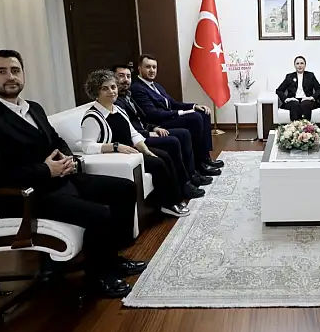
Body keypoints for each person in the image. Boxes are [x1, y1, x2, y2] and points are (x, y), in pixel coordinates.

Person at [0, 50, 145, 299]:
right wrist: (46, 170)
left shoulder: (33, 108)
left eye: (15, 70)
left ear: (23, 74)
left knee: (124, 189)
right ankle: (99, 277)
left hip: (58, 180)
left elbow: (56, 140)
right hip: (23, 196)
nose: (10, 77)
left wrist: (69, 160)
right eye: (1, 72)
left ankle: (111, 260)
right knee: (99, 213)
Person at [80, 69, 191, 218]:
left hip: (131, 151)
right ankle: (167, 204)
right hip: (116, 156)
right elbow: (87, 147)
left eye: (113, 87)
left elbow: (133, 134)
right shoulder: (92, 117)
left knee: (165, 156)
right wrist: (116, 146)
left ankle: (175, 199)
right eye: (104, 88)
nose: (111, 91)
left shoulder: (118, 109)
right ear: (96, 92)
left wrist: (146, 150)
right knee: (158, 164)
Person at [112, 63, 213, 190]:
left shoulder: (132, 95)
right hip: (147, 131)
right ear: (140, 69)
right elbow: (145, 118)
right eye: (121, 76)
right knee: (186, 128)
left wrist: (193, 106)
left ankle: (199, 166)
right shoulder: (128, 94)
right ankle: (186, 182)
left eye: (128, 76)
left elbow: (168, 105)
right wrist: (150, 131)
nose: (126, 80)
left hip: (149, 128)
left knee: (196, 119)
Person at [130, 54, 224, 175]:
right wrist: (179, 113)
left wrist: (194, 106)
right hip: (158, 123)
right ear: (139, 68)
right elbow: (152, 114)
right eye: (148, 67)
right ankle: (199, 164)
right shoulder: (138, 88)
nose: (152, 70)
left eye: (154, 67)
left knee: (203, 112)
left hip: (167, 117)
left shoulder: (156, 86)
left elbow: (173, 103)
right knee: (194, 118)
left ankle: (205, 157)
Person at [275, 56, 320, 121]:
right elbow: (279, 90)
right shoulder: (289, 76)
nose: (299, 65)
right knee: (295, 105)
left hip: (307, 100)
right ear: (294, 65)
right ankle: (295, 126)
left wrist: (311, 97)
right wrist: (286, 99)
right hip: (293, 100)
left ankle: (306, 126)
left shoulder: (310, 75)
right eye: (297, 63)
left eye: (302, 63)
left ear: (305, 65)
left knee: (305, 104)